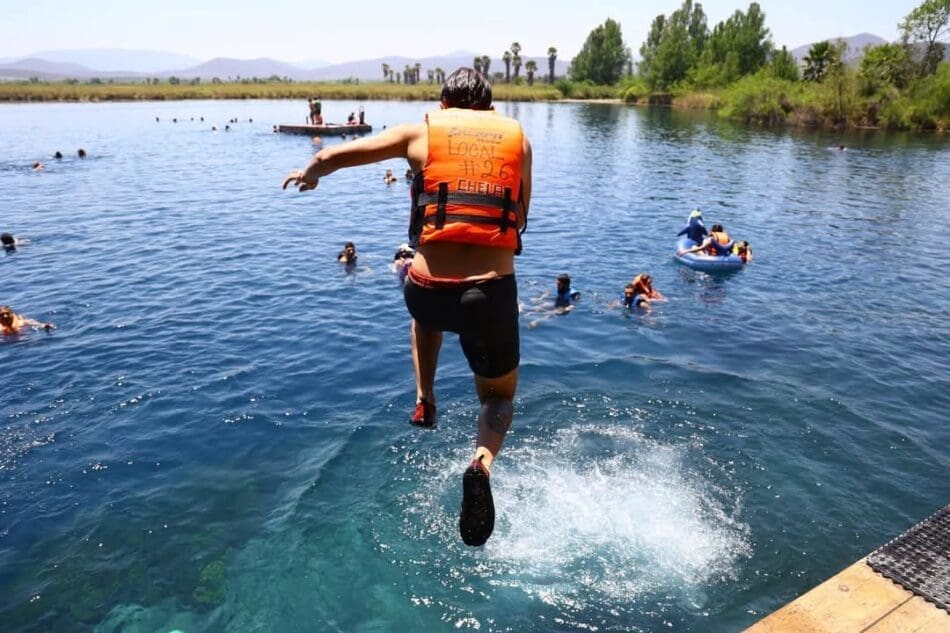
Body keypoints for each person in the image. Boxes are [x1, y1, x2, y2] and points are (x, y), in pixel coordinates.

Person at [282, 67, 532, 547]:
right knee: (498, 399)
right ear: (489, 106)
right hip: (489, 293)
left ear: (443, 105)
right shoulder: (517, 140)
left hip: (426, 288)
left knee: (426, 314)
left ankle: (425, 399)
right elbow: (518, 216)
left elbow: (336, 155)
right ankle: (481, 463)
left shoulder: (420, 131)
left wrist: (311, 172)